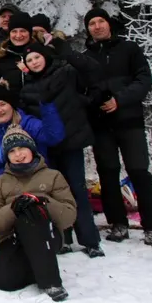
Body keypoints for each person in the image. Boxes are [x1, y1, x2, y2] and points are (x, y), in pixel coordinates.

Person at [83, 8, 152, 249]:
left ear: (109, 24)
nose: (97, 26)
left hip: (130, 121)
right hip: (101, 125)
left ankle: (151, 227)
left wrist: (120, 98)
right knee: (107, 173)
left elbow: (143, 80)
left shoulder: (130, 50)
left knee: (139, 173)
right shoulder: (86, 57)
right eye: (92, 23)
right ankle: (118, 223)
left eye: (100, 21)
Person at [18, 45, 103, 257]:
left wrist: (65, 50)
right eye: (30, 60)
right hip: (46, 146)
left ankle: (90, 240)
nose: (34, 62)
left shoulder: (65, 73)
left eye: (37, 57)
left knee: (77, 190)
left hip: (71, 142)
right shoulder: (27, 86)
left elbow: (91, 69)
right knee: (53, 193)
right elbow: (24, 114)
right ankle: (63, 237)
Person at [0, 126, 76, 302]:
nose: (18, 154)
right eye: (12, 151)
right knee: (2, 282)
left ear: (32, 149)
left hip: (47, 234)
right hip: (13, 237)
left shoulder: (53, 176)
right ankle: (35, 265)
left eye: (21, 148)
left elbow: (69, 215)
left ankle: (51, 281)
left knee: (32, 212)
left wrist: (42, 201)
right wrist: (13, 207)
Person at [0, 85, 65, 179]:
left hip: (33, 180)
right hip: (1, 188)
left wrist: (47, 106)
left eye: (3, 104)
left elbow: (54, 137)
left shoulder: (28, 124)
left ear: (12, 106)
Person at [0, 12, 37, 92]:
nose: (18, 35)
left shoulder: (41, 54)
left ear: (30, 33)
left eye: (23, 31)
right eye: (14, 31)